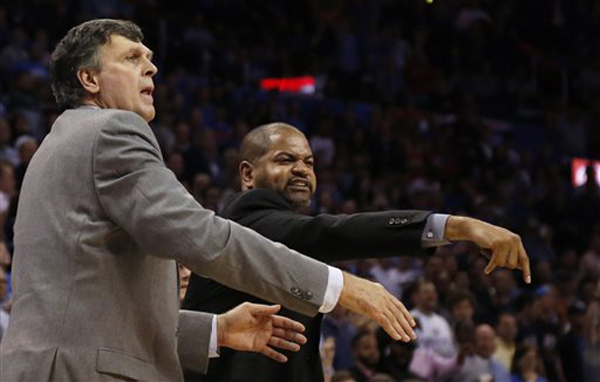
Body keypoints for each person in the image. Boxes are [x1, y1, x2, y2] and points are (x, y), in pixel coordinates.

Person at [0, 19, 418, 381]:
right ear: (88, 79)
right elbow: (200, 235)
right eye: (131, 58)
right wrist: (336, 286)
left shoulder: (55, 147)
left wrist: (216, 331)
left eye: (148, 56)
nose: (152, 66)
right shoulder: (110, 131)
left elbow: (92, 311)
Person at [183, 122, 531, 381]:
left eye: (309, 162)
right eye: (286, 159)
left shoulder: (289, 235)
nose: (302, 169)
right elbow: (333, 233)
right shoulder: (245, 221)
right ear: (248, 174)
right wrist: (455, 226)